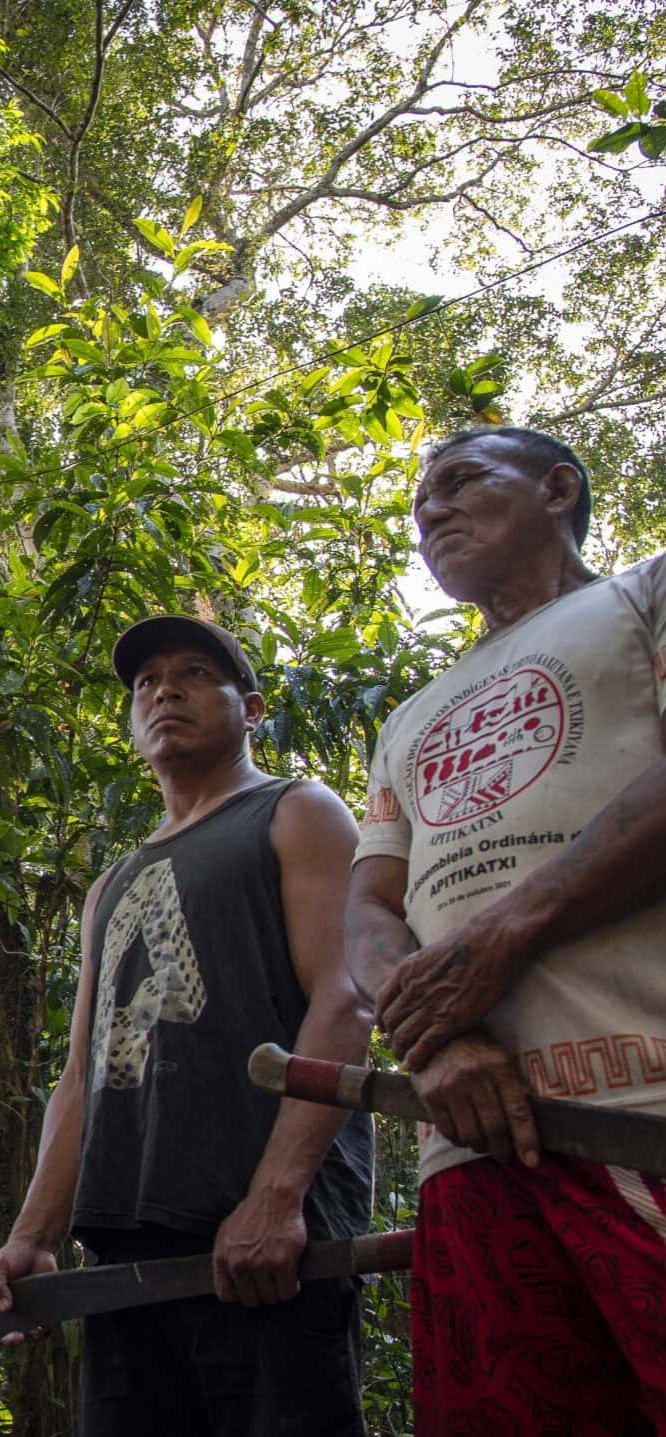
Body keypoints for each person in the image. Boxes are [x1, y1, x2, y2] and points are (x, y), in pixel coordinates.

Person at [0, 615, 374, 1435]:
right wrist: (34, 1235)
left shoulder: (296, 811)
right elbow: (83, 1074)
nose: (165, 689)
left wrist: (276, 1196)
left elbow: (346, 1003)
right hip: (128, 1260)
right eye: (146, 682)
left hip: (268, 1248)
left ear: (252, 706)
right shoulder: (112, 884)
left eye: (195, 673)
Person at [348, 426, 666, 1432]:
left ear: (555, 488)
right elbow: (364, 907)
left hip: (644, 1103)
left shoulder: (642, 596)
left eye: (456, 483)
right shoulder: (408, 718)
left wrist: (496, 940)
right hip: (468, 1149)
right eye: (415, 502)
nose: (428, 511)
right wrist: (433, 1035)